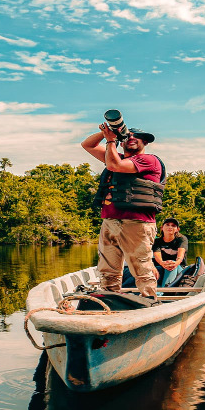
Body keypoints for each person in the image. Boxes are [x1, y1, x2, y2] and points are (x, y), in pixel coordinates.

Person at [82, 120, 165, 300]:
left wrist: (111, 141)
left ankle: (149, 301)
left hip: (137, 223)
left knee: (141, 267)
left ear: (145, 143)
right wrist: (109, 133)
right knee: (108, 269)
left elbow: (114, 166)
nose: (132, 138)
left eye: (138, 137)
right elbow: (87, 145)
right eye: (128, 136)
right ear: (122, 140)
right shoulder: (115, 155)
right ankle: (110, 300)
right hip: (110, 221)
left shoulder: (148, 160)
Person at [153, 218, 191, 287]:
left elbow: (180, 256)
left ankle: (163, 292)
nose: (170, 227)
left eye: (173, 226)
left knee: (171, 265)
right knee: (152, 270)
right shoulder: (157, 241)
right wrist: (162, 263)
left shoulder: (182, 239)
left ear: (177, 229)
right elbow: (157, 256)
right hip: (162, 266)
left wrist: (175, 263)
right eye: (167, 225)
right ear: (162, 228)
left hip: (179, 268)